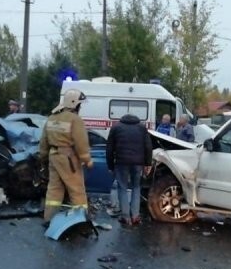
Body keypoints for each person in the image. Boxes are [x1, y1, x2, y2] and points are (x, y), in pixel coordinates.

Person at [39, 89, 93, 224]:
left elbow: (43, 141)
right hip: (68, 158)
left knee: (54, 190)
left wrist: (43, 158)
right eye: (80, 104)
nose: (80, 107)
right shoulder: (75, 119)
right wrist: (87, 160)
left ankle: (49, 219)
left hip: (53, 157)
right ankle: (81, 220)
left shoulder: (51, 118)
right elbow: (81, 142)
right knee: (77, 190)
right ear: (74, 103)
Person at [106, 113, 153, 226]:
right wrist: (148, 163)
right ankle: (135, 216)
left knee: (122, 188)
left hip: (121, 163)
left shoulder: (116, 127)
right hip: (138, 163)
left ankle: (125, 217)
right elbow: (148, 146)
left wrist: (110, 166)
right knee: (136, 187)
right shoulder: (142, 128)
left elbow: (109, 148)